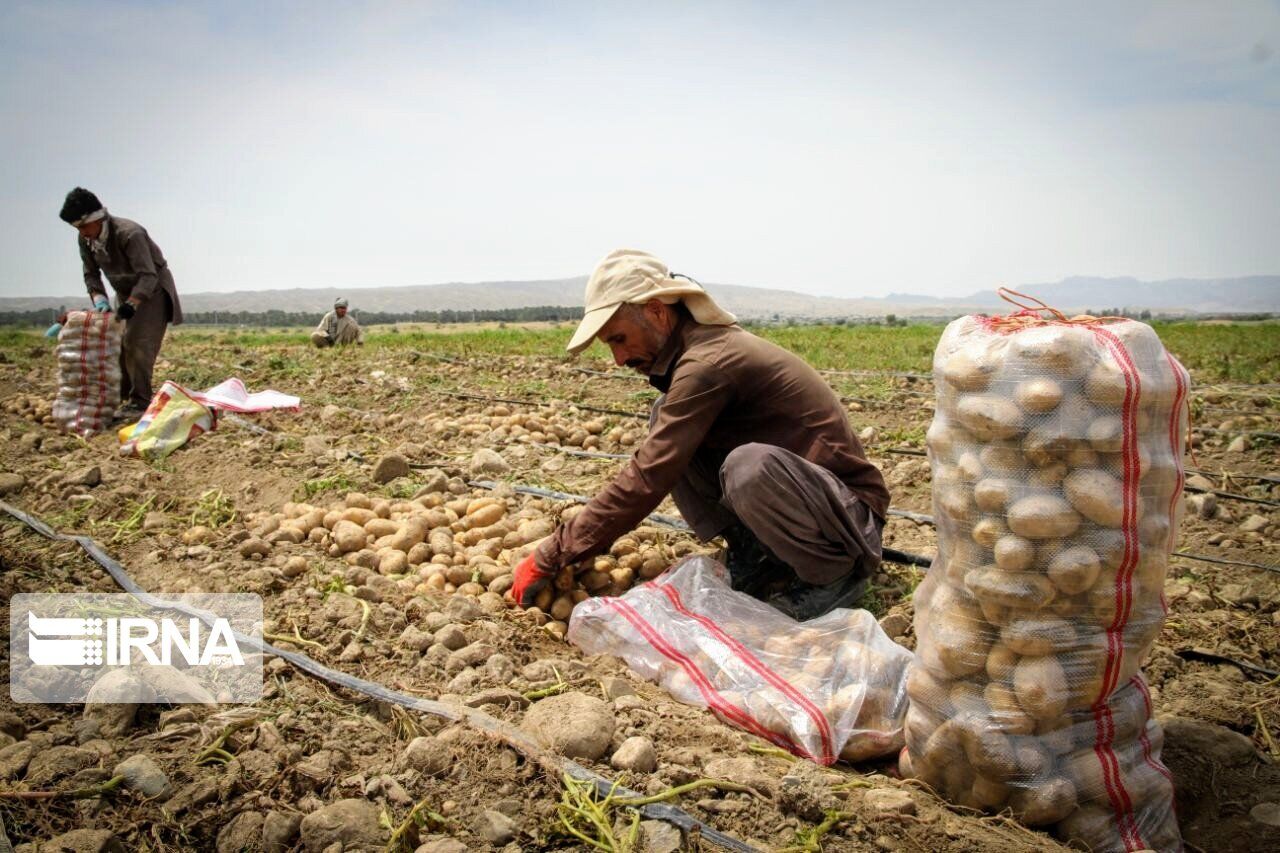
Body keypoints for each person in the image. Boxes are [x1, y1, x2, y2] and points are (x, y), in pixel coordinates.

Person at [512, 248, 891, 621]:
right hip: (811, 501)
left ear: (657, 311)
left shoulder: (708, 361)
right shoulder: (697, 355)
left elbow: (648, 477)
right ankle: (758, 553)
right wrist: (580, 545)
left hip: (849, 518)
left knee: (748, 467)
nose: (619, 359)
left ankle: (832, 575)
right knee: (669, 420)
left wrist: (554, 553)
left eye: (619, 339)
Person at [59, 187, 183, 416]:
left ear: (97, 218)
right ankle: (121, 396)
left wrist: (132, 304)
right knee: (116, 343)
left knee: (136, 342)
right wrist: (99, 299)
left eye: (84, 226)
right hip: (125, 293)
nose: (83, 232)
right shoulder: (85, 239)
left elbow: (147, 275)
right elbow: (91, 273)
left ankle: (140, 401)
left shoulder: (129, 233)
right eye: (77, 228)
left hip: (152, 291)